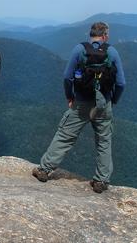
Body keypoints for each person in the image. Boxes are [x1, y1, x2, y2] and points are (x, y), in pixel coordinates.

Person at [32, 22, 125, 193]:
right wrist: (114, 100)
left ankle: (44, 170)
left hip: (81, 102)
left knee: (65, 135)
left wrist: (70, 96)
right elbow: (121, 83)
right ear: (104, 35)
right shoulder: (112, 52)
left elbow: (67, 77)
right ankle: (101, 181)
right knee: (104, 141)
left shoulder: (79, 50)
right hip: (104, 104)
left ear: (91, 34)